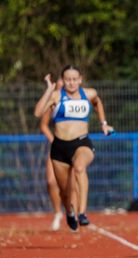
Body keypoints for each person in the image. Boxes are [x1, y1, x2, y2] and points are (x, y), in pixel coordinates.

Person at [34, 65, 113, 230]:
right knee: (64, 191)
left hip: (82, 143)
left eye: (74, 79)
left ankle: (82, 213)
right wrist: (49, 89)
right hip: (60, 147)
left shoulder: (89, 93)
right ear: (63, 80)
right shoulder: (56, 96)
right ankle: (69, 211)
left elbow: (98, 103)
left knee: (79, 167)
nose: (71, 83)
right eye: (68, 80)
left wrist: (103, 123)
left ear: (80, 79)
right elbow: (38, 113)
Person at [39, 78, 76, 231]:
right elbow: (43, 125)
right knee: (51, 181)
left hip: (74, 146)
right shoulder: (53, 104)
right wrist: (54, 140)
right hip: (57, 147)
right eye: (60, 87)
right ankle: (57, 213)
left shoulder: (77, 103)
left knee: (72, 184)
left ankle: (74, 215)